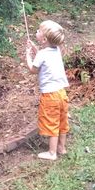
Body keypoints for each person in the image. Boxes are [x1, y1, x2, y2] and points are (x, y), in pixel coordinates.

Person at [26, 19, 69, 160]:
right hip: (62, 93)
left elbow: (33, 69)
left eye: (38, 31)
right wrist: (35, 49)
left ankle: (52, 153)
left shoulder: (42, 55)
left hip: (50, 96)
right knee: (62, 121)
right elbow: (44, 57)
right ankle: (61, 148)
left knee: (51, 122)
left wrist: (28, 55)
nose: (36, 32)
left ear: (44, 39)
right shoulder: (55, 50)